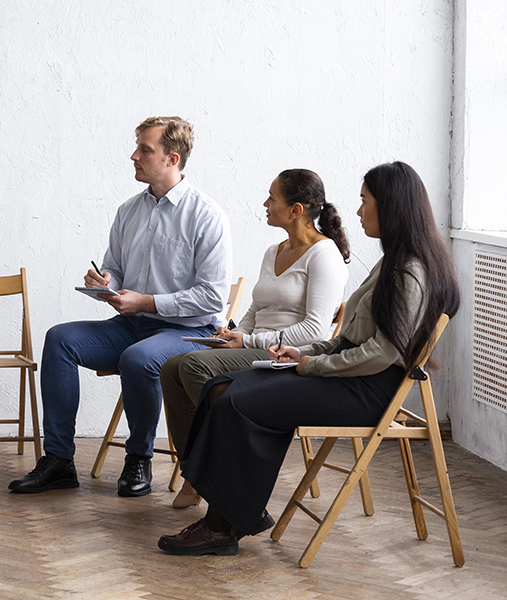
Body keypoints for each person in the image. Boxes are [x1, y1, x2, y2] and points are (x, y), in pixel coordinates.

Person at [157, 161, 460, 556]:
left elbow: (381, 354)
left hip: (367, 391)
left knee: (236, 399)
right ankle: (234, 511)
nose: (357, 211)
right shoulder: (392, 262)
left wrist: (310, 364)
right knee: (221, 386)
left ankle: (220, 526)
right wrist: (303, 353)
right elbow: (349, 339)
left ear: (390, 206)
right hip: (351, 376)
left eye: (365, 201)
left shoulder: (409, 271)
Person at [9, 116, 232, 497]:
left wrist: (144, 301)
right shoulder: (129, 210)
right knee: (59, 339)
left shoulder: (206, 215)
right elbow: (114, 267)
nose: (134, 156)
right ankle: (59, 460)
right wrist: (105, 281)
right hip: (132, 325)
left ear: (172, 158)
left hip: (190, 332)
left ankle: (139, 458)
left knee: (138, 358)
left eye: (145, 149)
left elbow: (212, 297)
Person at [160, 169, 349, 509]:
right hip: (256, 346)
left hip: (289, 355)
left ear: (296, 210)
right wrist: (234, 332)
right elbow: (256, 309)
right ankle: (198, 473)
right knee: (171, 367)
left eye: (272, 198)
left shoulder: (325, 256)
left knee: (191, 367)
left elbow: (315, 331)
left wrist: (249, 341)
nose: (265, 204)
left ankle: (216, 475)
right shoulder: (273, 251)